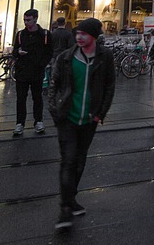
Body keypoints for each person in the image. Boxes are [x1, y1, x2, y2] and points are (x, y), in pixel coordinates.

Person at [47, 17, 116, 230]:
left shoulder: (105, 57)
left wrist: (100, 114)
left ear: (93, 36)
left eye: (83, 33)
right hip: (67, 117)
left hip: (89, 119)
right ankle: (65, 208)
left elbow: (109, 86)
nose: (78, 36)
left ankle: (71, 198)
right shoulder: (66, 57)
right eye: (77, 33)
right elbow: (53, 84)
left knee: (79, 161)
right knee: (68, 160)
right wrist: (55, 111)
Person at [11, 9, 51, 136]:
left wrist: (42, 64)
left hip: (36, 71)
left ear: (35, 19)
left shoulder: (44, 34)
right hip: (22, 71)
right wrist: (18, 53)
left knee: (37, 98)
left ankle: (38, 121)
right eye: (25, 20)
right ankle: (20, 123)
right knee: (21, 99)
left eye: (28, 20)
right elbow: (15, 50)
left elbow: (50, 51)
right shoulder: (20, 34)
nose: (26, 22)